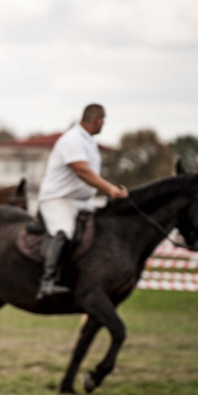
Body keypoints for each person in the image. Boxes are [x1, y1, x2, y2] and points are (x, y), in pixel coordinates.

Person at [36, 103, 129, 298]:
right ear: (98, 120)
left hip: (82, 201)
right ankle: (47, 282)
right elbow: (81, 170)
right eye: (103, 121)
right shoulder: (72, 139)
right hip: (58, 199)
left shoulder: (88, 142)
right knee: (64, 231)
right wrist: (110, 189)